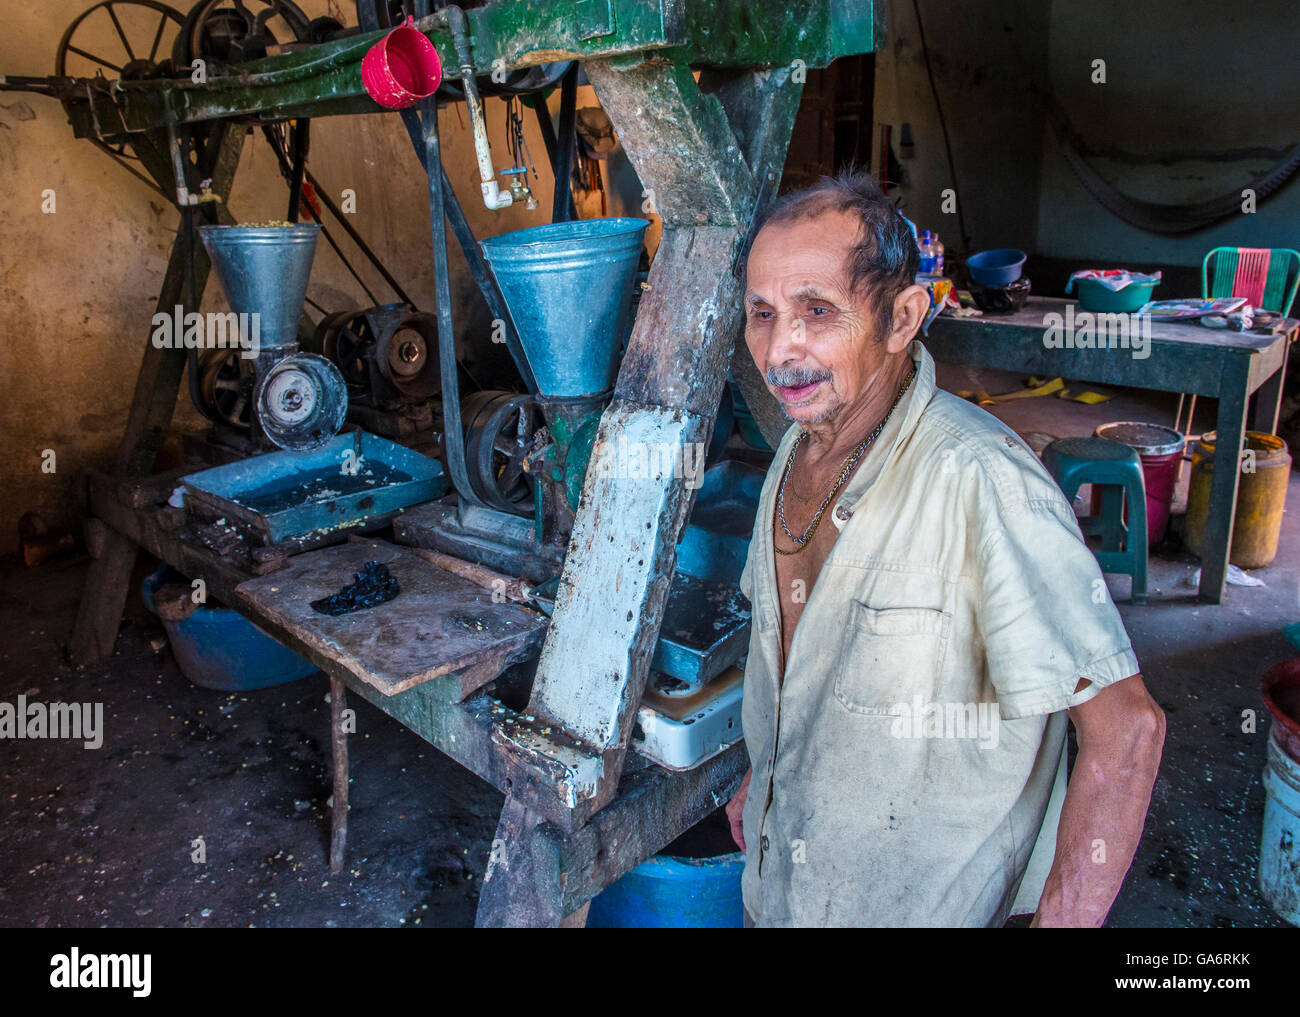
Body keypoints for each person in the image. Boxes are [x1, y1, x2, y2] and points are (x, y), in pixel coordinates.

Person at [725, 170, 1165, 927]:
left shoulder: (984, 481)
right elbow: (792, 653)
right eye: (761, 312)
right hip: (787, 892)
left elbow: (1128, 731)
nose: (779, 347)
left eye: (816, 310)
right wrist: (765, 778)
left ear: (901, 318)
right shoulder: (798, 454)